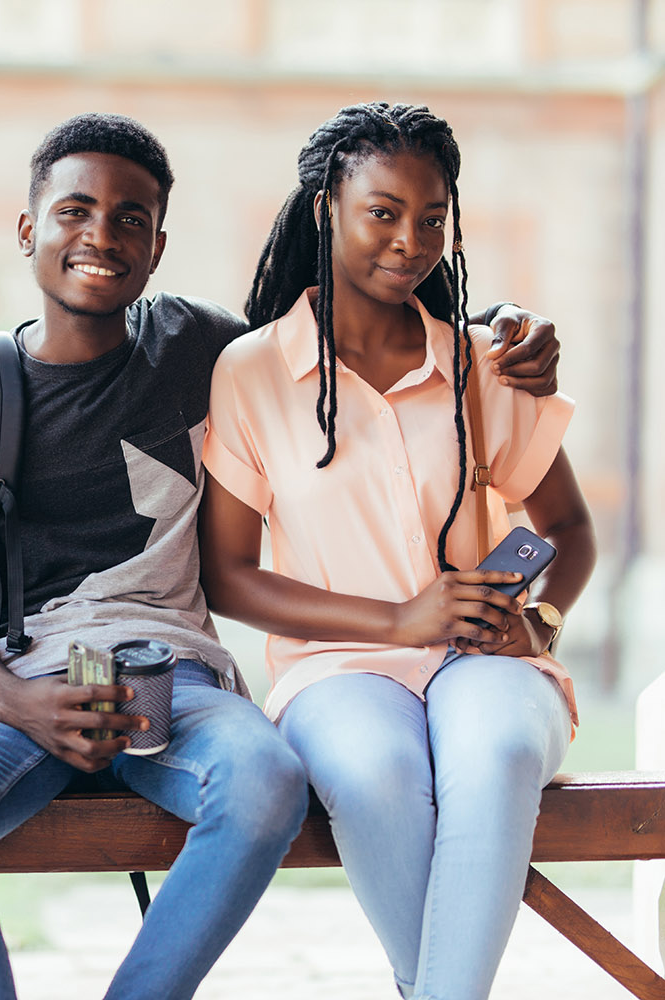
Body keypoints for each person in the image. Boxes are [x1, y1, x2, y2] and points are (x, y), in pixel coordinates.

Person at [0, 111, 564, 1000]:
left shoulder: (203, 351)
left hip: (174, 673)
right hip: (17, 680)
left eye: (131, 219)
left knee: (264, 784)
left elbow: (351, 327)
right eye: (74, 212)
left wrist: (500, 328)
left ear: (159, 245)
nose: (101, 236)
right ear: (27, 230)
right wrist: (22, 702)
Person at [198, 102, 594, 999]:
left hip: (484, 658)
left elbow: (564, 528)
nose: (410, 240)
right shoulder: (251, 370)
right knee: (375, 770)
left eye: (432, 217)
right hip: (335, 667)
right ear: (323, 209)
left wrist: (539, 616)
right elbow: (229, 575)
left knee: (492, 754)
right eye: (383, 211)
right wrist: (398, 618)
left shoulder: (489, 362)